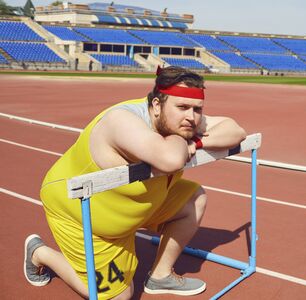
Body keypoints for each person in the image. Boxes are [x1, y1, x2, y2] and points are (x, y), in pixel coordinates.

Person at [24, 66, 247, 299]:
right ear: (157, 106)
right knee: (119, 296)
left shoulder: (180, 119)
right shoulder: (122, 121)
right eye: (182, 107)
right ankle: (39, 253)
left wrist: (196, 143)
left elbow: (236, 131)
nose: (191, 117)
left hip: (132, 205)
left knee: (194, 198)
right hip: (82, 213)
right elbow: (170, 159)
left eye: (197, 109)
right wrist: (187, 141)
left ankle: (160, 276)